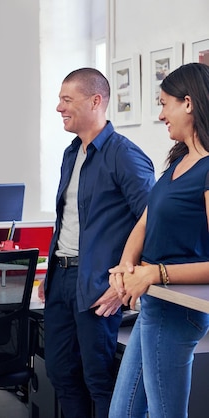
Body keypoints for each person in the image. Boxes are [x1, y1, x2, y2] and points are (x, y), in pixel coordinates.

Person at [39, 68, 155, 418]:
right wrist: (50, 270)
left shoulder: (124, 155)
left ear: (96, 101)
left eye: (67, 99)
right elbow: (67, 220)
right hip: (61, 279)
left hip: (98, 284)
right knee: (60, 372)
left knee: (99, 379)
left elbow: (154, 221)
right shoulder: (71, 153)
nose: (59, 107)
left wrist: (125, 281)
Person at [108, 62, 209, 418]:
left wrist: (154, 274)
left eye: (164, 103)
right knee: (122, 413)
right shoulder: (178, 163)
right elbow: (145, 222)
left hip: (176, 311)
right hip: (154, 306)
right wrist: (125, 264)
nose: (161, 114)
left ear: (188, 103)